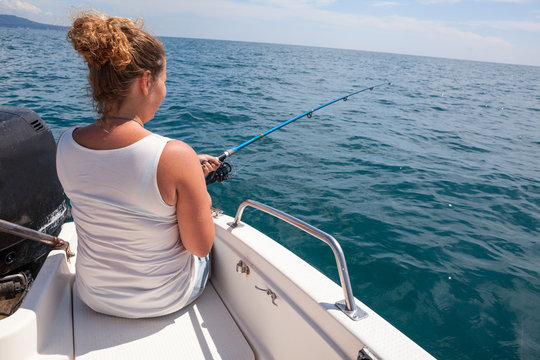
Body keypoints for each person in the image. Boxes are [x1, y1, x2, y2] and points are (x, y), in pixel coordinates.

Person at [56, 11, 220, 318]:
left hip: (92, 296)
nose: (164, 91)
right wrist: (195, 185)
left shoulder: (65, 143)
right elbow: (199, 247)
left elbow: (114, 172)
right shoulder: (176, 155)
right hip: (163, 300)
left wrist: (181, 170)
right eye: (164, 81)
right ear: (146, 82)